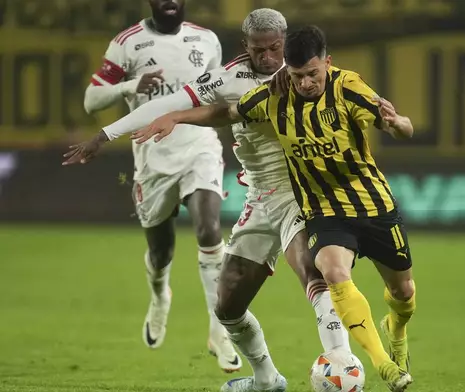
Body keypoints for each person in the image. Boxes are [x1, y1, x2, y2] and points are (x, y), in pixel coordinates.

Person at [64, 10, 352, 392]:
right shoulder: (229, 76)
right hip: (260, 197)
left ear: (285, 43)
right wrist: (105, 135)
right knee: (227, 304)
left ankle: (344, 364)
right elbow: (171, 103)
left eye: (275, 49)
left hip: (300, 192)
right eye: (259, 50)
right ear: (244, 47)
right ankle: (266, 380)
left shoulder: (306, 74)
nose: (268, 58)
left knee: (308, 268)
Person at [131, 25, 416, 392]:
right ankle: (360, 369)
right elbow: (227, 111)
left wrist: (397, 124)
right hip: (317, 206)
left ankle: (387, 336)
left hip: (367, 203)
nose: (306, 83)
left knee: (402, 293)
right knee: (310, 277)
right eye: (297, 76)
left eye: (313, 74)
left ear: (327, 63)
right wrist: (176, 117)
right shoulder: (273, 97)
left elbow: (400, 124)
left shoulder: (348, 86)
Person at [76, 0, 241, 372]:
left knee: (210, 229)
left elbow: (218, 96)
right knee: (161, 252)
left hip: (199, 147)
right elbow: (91, 100)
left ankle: (220, 330)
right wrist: (131, 85)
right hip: (151, 160)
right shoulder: (128, 42)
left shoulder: (207, 40)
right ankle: (159, 294)